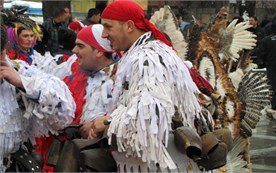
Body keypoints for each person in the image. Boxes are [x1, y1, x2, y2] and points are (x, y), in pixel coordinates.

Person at [92, 1, 203, 172]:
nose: (104, 34)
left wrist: (106, 123)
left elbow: (148, 117)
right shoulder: (143, 53)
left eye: (108, 27)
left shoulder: (147, 58)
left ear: (129, 26)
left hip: (159, 166)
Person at [35, 24, 119, 172]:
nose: (74, 51)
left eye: (80, 46)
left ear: (99, 51)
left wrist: (102, 123)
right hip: (59, 154)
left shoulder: (120, 77)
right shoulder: (70, 67)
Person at [0, 24, 75, 172]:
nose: (29, 39)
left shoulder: (20, 71)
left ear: (3, 52)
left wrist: (23, 83)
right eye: (25, 36)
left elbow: (65, 114)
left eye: (31, 36)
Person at [257, 16, 276, 112]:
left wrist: (262, 63)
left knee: (273, 87)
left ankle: (275, 106)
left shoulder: (266, 40)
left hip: (272, 66)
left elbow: (260, 54)